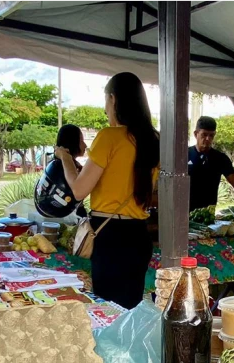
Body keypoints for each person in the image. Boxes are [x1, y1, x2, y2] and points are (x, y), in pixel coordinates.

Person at [53, 72, 160, 309]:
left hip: (111, 236)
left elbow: (79, 190)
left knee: (109, 311)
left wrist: (66, 158)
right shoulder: (153, 140)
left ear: (113, 99)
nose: (105, 108)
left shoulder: (109, 137)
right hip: (139, 235)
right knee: (129, 309)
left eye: (105, 101)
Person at [188, 116, 234, 210]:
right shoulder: (184, 155)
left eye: (211, 135)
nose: (208, 139)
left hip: (208, 214)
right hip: (183, 211)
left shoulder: (220, 158)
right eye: (204, 135)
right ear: (196, 134)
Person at [37, 124, 87, 219]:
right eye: (82, 141)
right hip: (66, 219)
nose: (85, 145)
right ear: (73, 142)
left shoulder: (57, 164)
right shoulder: (67, 167)